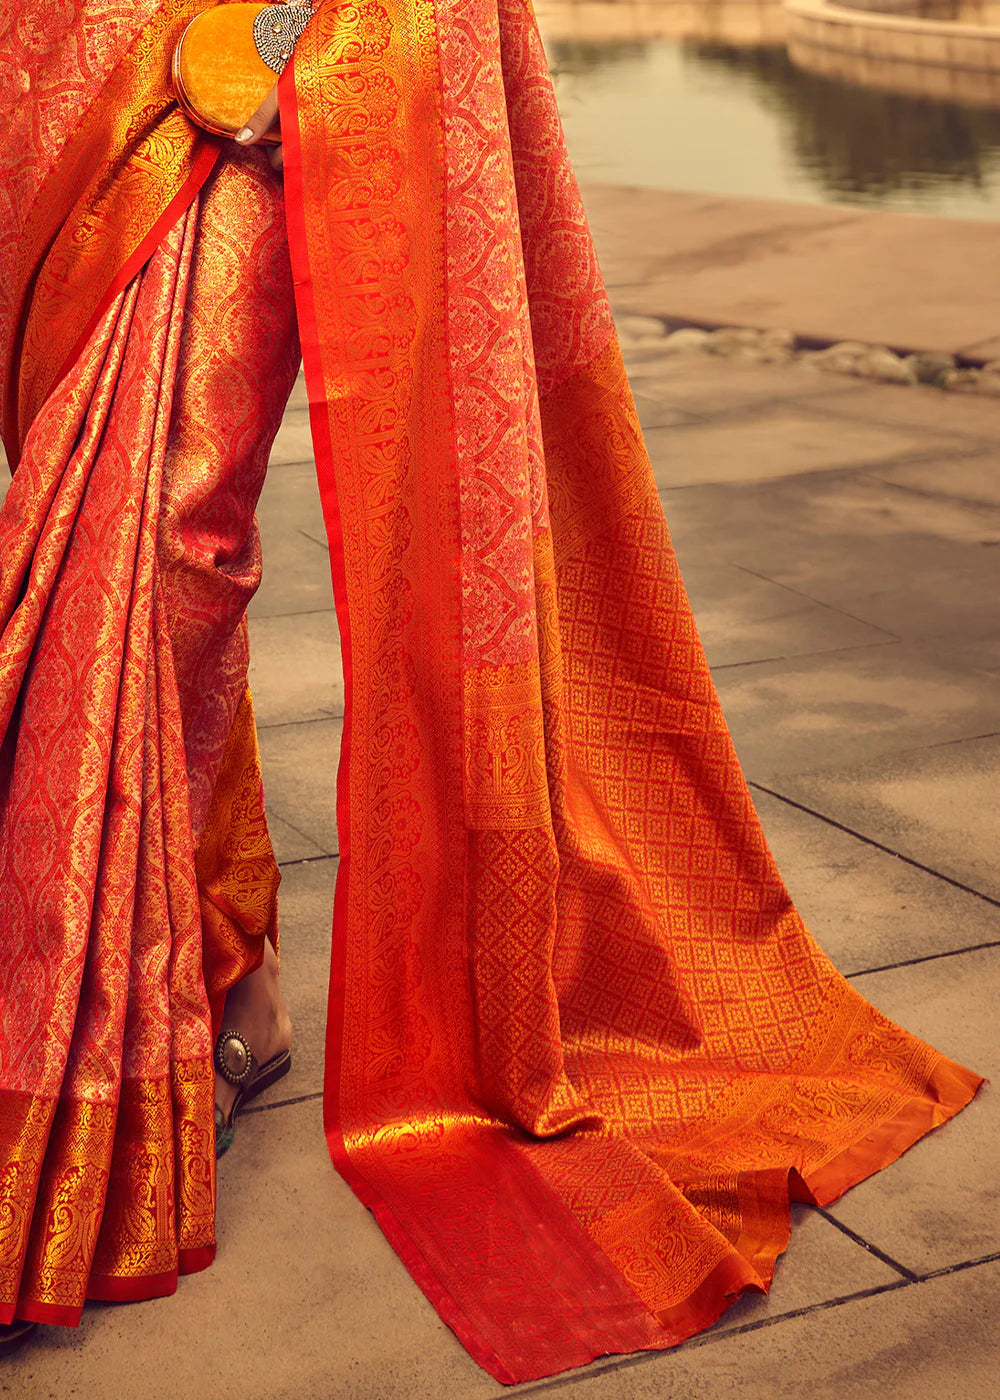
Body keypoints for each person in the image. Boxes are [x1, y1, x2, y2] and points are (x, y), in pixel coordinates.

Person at [0, 0, 983, 1382]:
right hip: (54, 61)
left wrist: (286, 34)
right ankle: (222, 978)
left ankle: (93, 1034)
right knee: (78, 491)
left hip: (242, 47)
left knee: (163, 526)